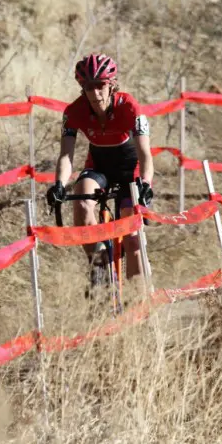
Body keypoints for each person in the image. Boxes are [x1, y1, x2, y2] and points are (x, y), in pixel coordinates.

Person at [46, 52, 154, 287]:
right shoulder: (74, 112)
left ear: (112, 85)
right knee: (82, 201)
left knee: (132, 236)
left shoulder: (129, 106)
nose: (95, 93)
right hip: (99, 166)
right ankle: (100, 266)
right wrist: (59, 185)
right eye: (88, 87)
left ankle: (139, 299)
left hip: (130, 169)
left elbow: (145, 154)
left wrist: (146, 184)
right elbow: (66, 154)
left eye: (100, 86)